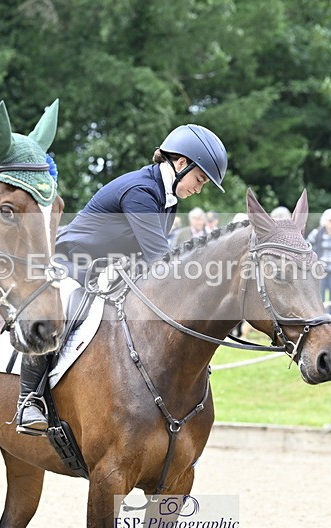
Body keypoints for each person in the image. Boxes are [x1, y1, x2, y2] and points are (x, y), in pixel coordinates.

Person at [17, 123, 228, 435]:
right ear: (181, 163)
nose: (199, 188)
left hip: (109, 272)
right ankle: (29, 400)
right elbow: (160, 259)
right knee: (59, 310)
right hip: (74, 261)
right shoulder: (141, 191)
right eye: (200, 179)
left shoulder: (167, 199)